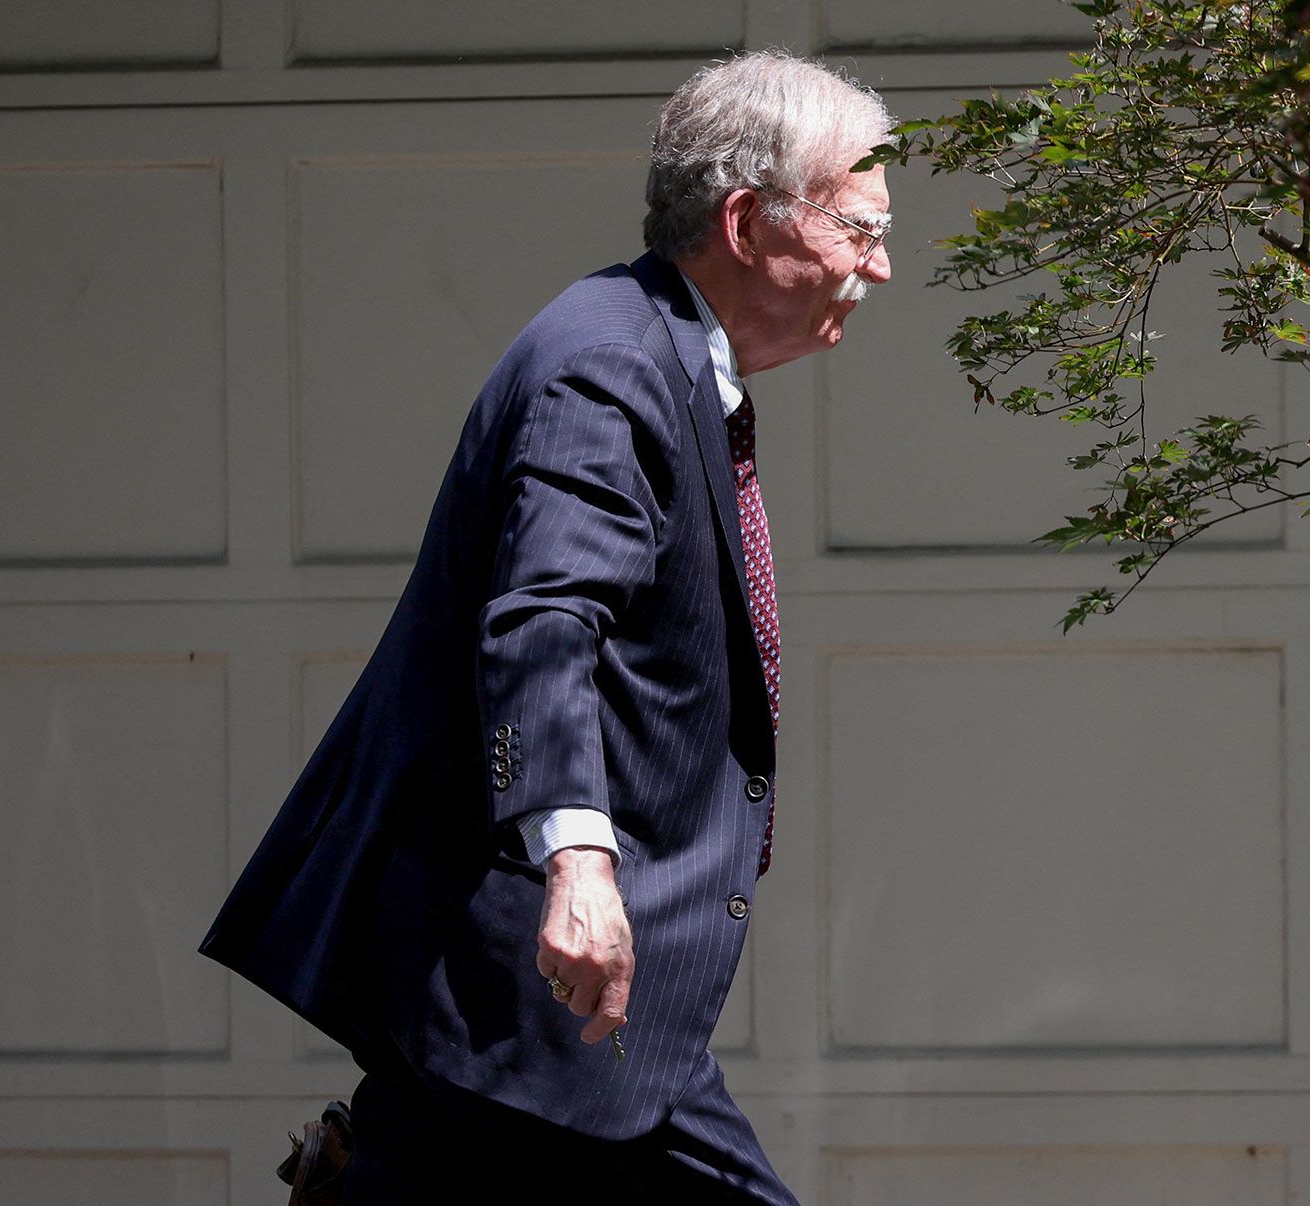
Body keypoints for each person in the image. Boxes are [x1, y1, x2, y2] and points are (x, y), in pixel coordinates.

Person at [199, 51, 894, 1204]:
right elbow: (542, 620)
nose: (880, 265)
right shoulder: (612, 367)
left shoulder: (655, 353)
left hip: (502, 986)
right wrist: (578, 863)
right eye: (860, 228)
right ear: (745, 221)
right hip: (528, 970)